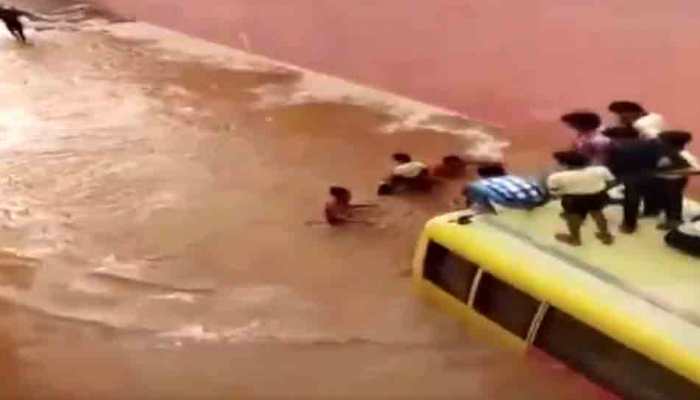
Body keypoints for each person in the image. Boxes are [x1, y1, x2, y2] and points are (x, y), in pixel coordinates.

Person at [606, 134, 689, 233]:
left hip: (666, 178)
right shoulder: (661, 148)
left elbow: (687, 167)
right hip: (644, 172)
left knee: (634, 194)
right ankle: (649, 213)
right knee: (639, 191)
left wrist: (657, 171)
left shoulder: (664, 148)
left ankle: (630, 225)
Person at [546, 151, 616, 246]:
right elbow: (612, 182)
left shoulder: (556, 177)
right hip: (598, 196)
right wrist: (601, 189)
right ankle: (605, 236)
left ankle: (575, 240)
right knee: (598, 214)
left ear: (564, 164)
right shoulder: (601, 169)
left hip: (573, 200)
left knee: (573, 218)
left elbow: (554, 193)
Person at [654, 131, 698, 230]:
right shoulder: (666, 152)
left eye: (661, 141)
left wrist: (673, 172)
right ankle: (670, 219)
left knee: (673, 200)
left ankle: (675, 220)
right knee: (666, 200)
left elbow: (696, 168)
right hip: (665, 180)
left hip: (675, 181)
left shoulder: (683, 154)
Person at [463, 164, 547, 214]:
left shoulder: (482, 183)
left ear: (482, 175)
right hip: (539, 200)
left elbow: (468, 192)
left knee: (471, 188)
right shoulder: (514, 177)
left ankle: (486, 213)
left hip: (513, 204)